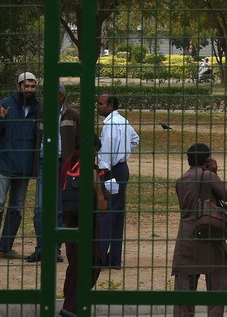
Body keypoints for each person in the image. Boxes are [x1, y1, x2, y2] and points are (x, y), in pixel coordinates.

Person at [0, 72, 40, 263]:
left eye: (33, 86)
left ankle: (5, 248)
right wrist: (1, 118)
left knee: (16, 209)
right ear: (19, 87)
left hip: (23, 168)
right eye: (27, 86)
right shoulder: (6, 103)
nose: (30, 90)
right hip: (4, 165)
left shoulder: (38, 109)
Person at [172, 143, 227, 317]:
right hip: (208, 233)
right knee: (220, 276)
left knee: (185, 286)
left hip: (186, 238)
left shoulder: (181, 180)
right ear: (207, 160)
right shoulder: (207, 176)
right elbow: (226, 195)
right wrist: (214, 172)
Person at [28, 83, 80, 263]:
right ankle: (41, 248)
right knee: (40, 208)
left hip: (63, 166)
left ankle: (55, 249)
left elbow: (81, 142)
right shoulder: (42, 114)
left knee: (59, 209)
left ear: (62, 96)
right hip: (44, 164)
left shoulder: (72, 115)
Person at [60, 136, 108, 317]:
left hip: (69, 218)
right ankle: (74, 305)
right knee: (92, 260)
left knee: (74, 262)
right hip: (87, 221)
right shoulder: (90, 168)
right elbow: (102, 204)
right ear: (94, 149)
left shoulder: (67, 164)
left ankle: (69, 303)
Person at [96, 92, 140, 269]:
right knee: (117, 214)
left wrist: (104, 170)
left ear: (111, 106)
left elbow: (105, 154)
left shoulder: (110, 126)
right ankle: (114, 258)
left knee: (106, 214)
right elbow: (135, 139)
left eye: (101, 104)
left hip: (110, 171)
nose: (98, 106)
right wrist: (124, 153)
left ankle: (100, 255)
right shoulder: (123, 121)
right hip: (121, 169)